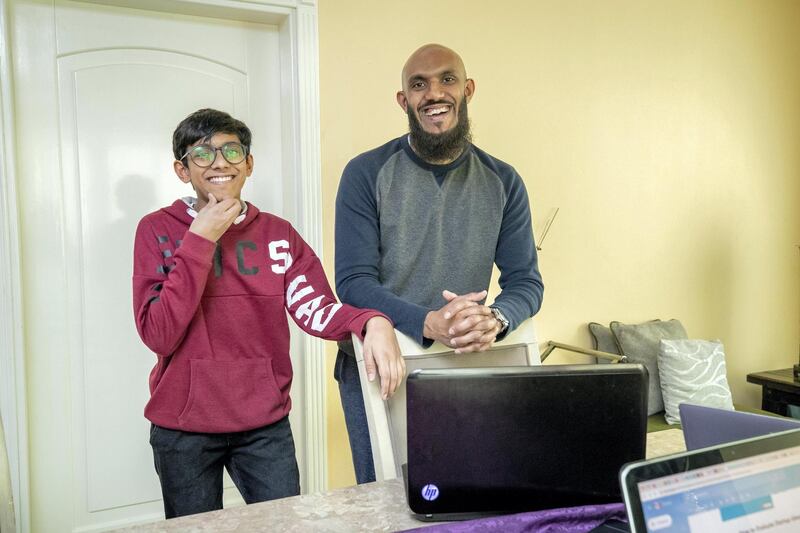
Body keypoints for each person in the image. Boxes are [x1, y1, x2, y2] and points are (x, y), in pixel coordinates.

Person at [132, 108, 405, 518]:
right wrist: (200, 240)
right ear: (182, 169)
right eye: (202, 154)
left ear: (249, 163)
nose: (220, 162)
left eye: (232, 150)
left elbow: (317, 310)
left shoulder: (278, 236)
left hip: (263, 425)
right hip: (184, 429)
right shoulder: (157, 230)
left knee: (282, 526)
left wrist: (371, 320)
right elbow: (158, 333)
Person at [334, 44, 544, 483]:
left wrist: (495, 319)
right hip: (380, 366)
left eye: (447, 79)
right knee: (386, 499)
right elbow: (353, 282)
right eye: (418, 84)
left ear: (467, 89)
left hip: (466, 366)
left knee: (472, 494)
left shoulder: (504, 181)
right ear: (403, 100)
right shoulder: (365, 172)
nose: (434, 93)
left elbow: (526, 282)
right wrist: (428, 322)